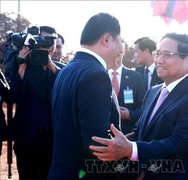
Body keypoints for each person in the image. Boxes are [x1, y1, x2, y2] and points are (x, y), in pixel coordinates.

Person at [90, 33, 188, 180]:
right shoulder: (154, 91)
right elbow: (141, 130)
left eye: (167, 55)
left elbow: (179, 144)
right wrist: (121, 141)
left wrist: (130, 149)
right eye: (158, 53)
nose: (159, 60)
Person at [48, 13, 122, 180]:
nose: (121, 50)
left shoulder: (68, 69)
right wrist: (133, 171)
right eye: (120, 41)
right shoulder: (96, 74)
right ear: (107, 39)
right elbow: (98, 144)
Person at [9, 26, 60, 180]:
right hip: (27, 139)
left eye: (51, 41)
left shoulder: (60, 70)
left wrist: (51, 65)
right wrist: (22, 68)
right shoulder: (23, 67)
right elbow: (13, 97)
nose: (47, 46)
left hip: (53, 140)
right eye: (42, 41)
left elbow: (66, 93)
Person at [109, 43, 144, 135]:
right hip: (104, 132)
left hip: (127, 134)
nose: (116, 54)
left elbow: (143, 106)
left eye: (119, 51)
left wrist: (130, 114)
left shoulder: (135, 77)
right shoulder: (99, 75)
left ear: (123, 51)